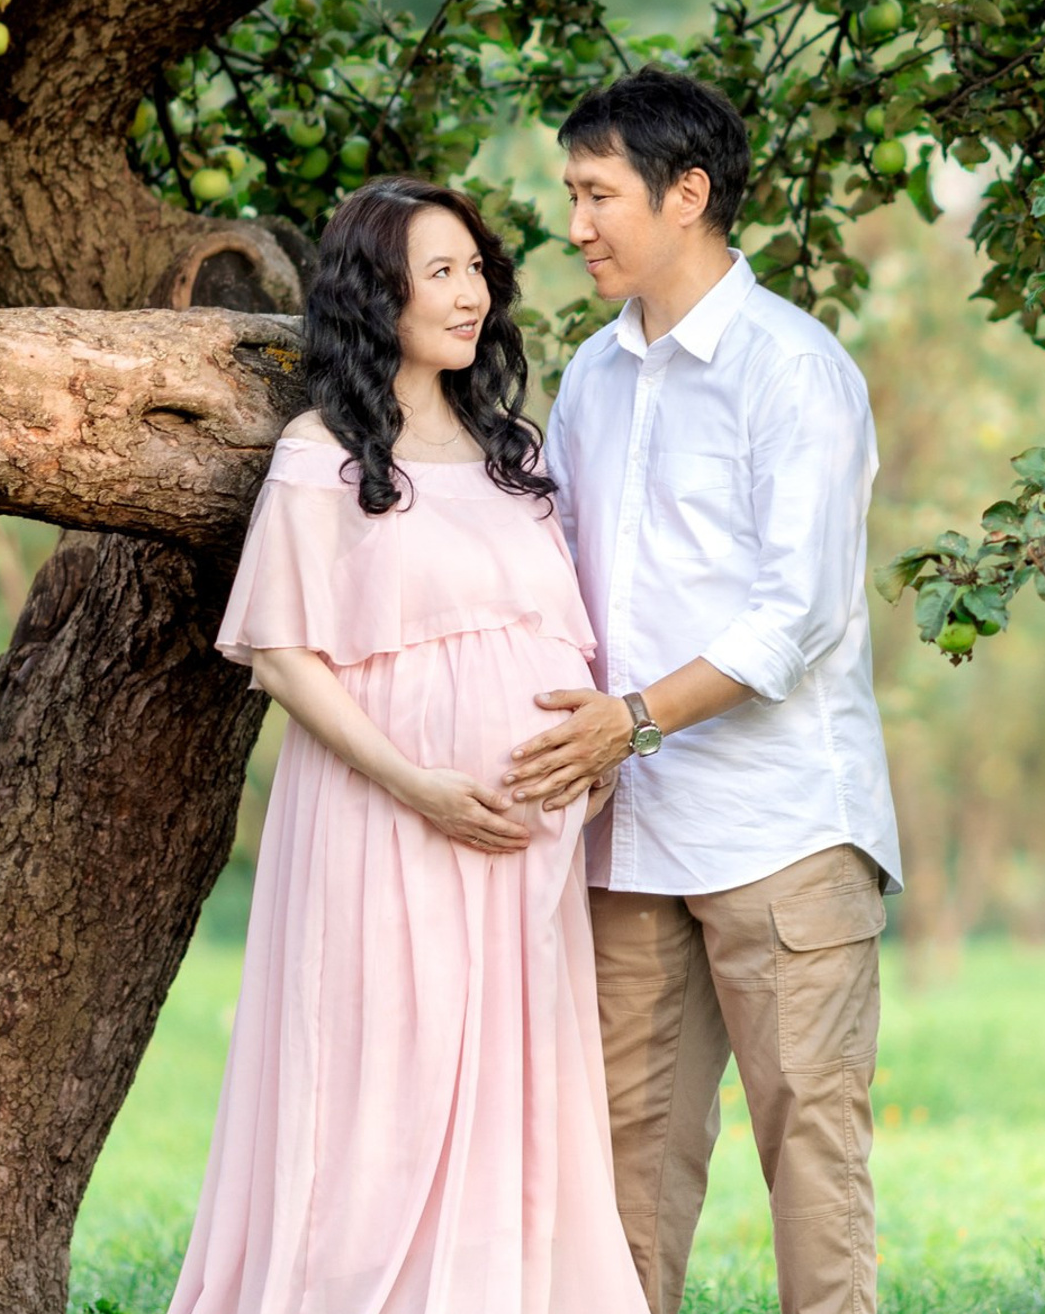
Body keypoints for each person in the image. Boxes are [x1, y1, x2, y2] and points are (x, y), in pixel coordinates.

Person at [168, 178, 646, 1314]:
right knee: (380, 1097)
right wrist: (415, 783)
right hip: (382, 825)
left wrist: (592, 763)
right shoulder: (320, 454)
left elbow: (561, 637)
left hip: (519, 850)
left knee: (508, 1108)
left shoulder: (514, 450)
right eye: (440, 272)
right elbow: (286, 656)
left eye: (476, 267)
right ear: (376, 295)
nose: (471, 292)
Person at [503, 69, 902, 1314]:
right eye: (570, 194)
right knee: (626, 1164)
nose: (575, 224)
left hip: (783, 829)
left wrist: (631, 721)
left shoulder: (796, 370)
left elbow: (798, 614)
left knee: (813, 1155)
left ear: (688, 194)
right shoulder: (591, 378)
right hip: (630, 842)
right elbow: (552, 574)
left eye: (597, 193)